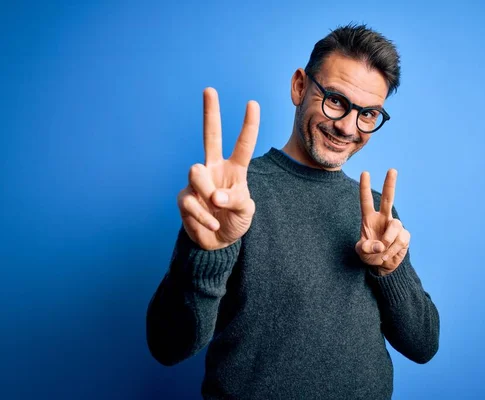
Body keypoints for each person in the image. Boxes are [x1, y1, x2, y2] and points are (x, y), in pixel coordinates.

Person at [146, 23, 440, 399]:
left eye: (368, 114)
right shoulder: (232, 197)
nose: (349, 127)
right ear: (300, 86)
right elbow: (168, 346)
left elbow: (424, 345)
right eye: (336, 100)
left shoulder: (376, 212)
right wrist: (209, 252)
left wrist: (390, 272)